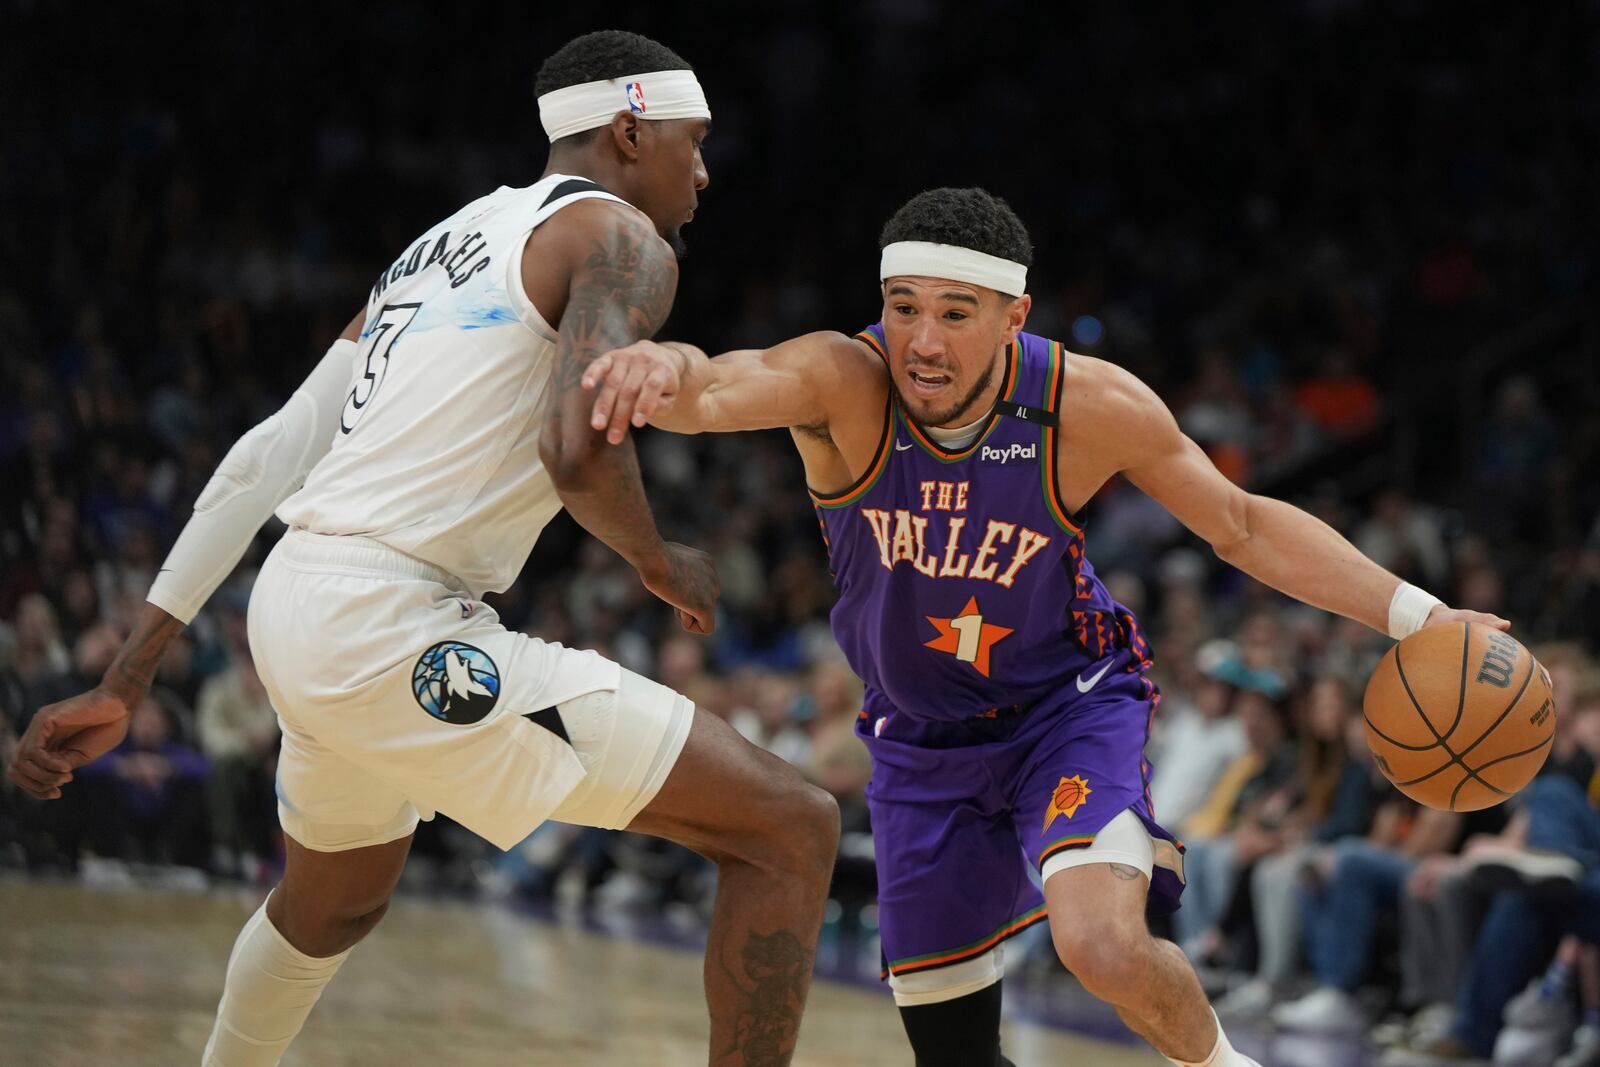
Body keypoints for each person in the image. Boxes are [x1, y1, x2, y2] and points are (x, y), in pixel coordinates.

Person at [7, 30, 839, 1067]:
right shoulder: (621, 240)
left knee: (334, 902)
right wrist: (659, 558)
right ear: (630, 131)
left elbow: (265, 456)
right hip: (389, 626)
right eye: (693, 141)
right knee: (790, 825)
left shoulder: (436, 247)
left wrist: (128, 673)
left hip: (301, 606)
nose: (705, 171)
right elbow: (575, 451)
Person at [581, 186, 1509, 1067]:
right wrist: (666, 365)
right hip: (916, 741)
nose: (922, 340)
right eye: (903, 307)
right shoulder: (845, 382)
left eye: (955, 312)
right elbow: (724, 384)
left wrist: (1418, 613)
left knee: (1100, 944)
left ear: (1014, 317)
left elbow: (1241, 522)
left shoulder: (1085, 405)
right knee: (953, 1053)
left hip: (1064, 709)